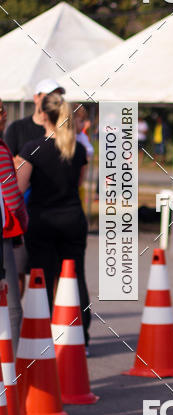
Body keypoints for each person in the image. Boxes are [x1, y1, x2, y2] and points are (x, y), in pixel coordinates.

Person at [16, 92, 91, 346]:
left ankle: (41, 336)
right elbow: (77, 184)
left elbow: (18, 188)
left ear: (44, 116)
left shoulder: (32, 149)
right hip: (72, 218)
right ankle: (81, 337)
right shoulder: (78, 149)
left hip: (42, 220)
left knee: (42, 278)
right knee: (75, 277)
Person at [0, 99, 27, 347]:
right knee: (11, 306)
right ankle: (14, 371)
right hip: (3, 235)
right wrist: (23, 221)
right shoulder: (1, 150)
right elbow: (11, 197)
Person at [4, 78, 65, 157]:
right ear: (36, 98)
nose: (54, 101)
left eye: (58, 97)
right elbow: (9, 162)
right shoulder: (16, 128)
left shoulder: (65, 130)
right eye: (49, 96)